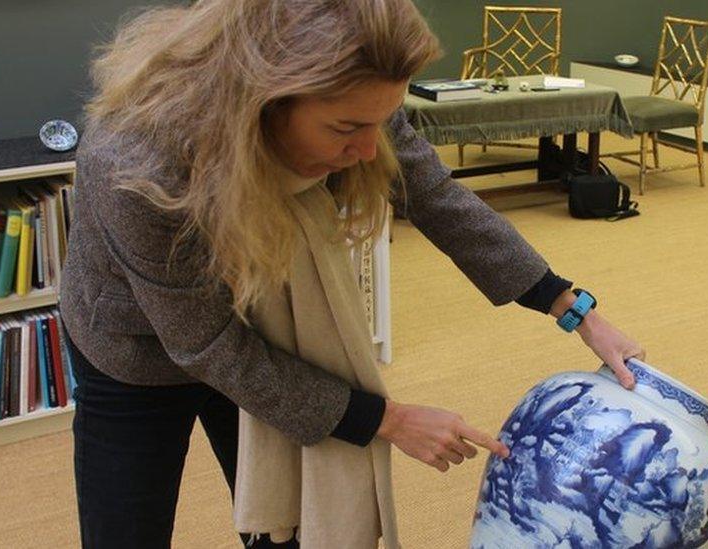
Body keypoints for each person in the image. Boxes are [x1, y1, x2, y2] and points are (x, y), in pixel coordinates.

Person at [59, 0, 644, 547]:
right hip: (135, 353)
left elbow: (435, 196)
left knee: (286, 523)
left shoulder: (355, 100)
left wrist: (571, 306)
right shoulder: (137, 164)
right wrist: (387, 420)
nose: (370, 151)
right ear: (264, 102)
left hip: (266, 325)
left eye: (382, 123)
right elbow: (209, 347)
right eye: (346, 131)